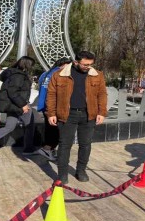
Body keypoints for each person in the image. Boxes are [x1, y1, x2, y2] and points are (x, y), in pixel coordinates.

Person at [46, 51, 108, 183]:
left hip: (88, 114)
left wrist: (102, 112)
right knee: (64, 145)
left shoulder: (97, 75)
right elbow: (51, 95)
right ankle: (62, 174)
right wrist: (51, 113)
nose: (88, 67)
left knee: (85, 144)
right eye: (85, 64)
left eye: (90, 64)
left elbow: (102, 94)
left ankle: (81, 170)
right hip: (67, 115)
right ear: (75, 62)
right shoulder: (59, 75)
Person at [0, 56, 37, 153]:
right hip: (18, 105)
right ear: (27, 64)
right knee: (29, 125)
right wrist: (23, 105)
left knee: (9, 127)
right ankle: (28, 149)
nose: (32, 67)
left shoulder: (11, 73)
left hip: (12, 106)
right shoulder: (18, 75)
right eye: (31, 65)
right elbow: (13, 91)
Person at [34, 57, 72, 161]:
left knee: (50, 129)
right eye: (69, 66)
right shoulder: (59, 74)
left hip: (43, 105)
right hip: (53, 106)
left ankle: (47, 149)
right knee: (57, 131)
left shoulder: (45, 74)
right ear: (63, 64)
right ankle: (48, 150)